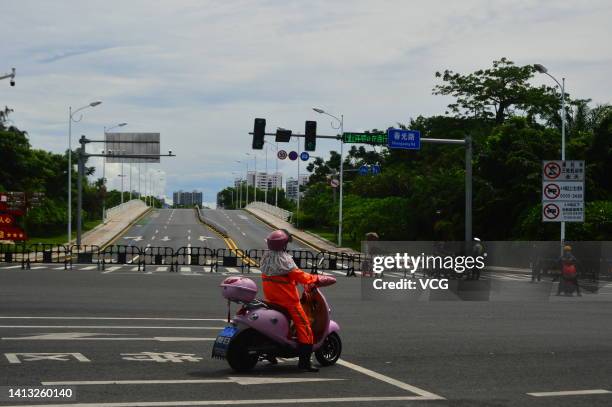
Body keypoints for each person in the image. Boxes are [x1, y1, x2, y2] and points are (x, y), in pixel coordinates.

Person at [260, 229, 320, 372]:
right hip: (289, 303)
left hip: (271, 300)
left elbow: (283, 279)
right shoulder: (284, 260)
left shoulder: (266, 257)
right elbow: (301, 276)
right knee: (305, 327)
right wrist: (317, 278)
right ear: (284, 244)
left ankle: (271, 354)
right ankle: (304, 363)